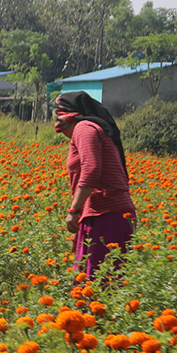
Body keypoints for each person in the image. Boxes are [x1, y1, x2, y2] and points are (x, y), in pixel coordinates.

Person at [53, 91, 135, 280]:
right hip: (100, 214)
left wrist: (73, 211)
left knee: (99, 284)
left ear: (67, 115)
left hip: (107, 215)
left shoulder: (84, 128)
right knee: (89, 282)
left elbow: (91, 169)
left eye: (57, 114)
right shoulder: (88, 129)